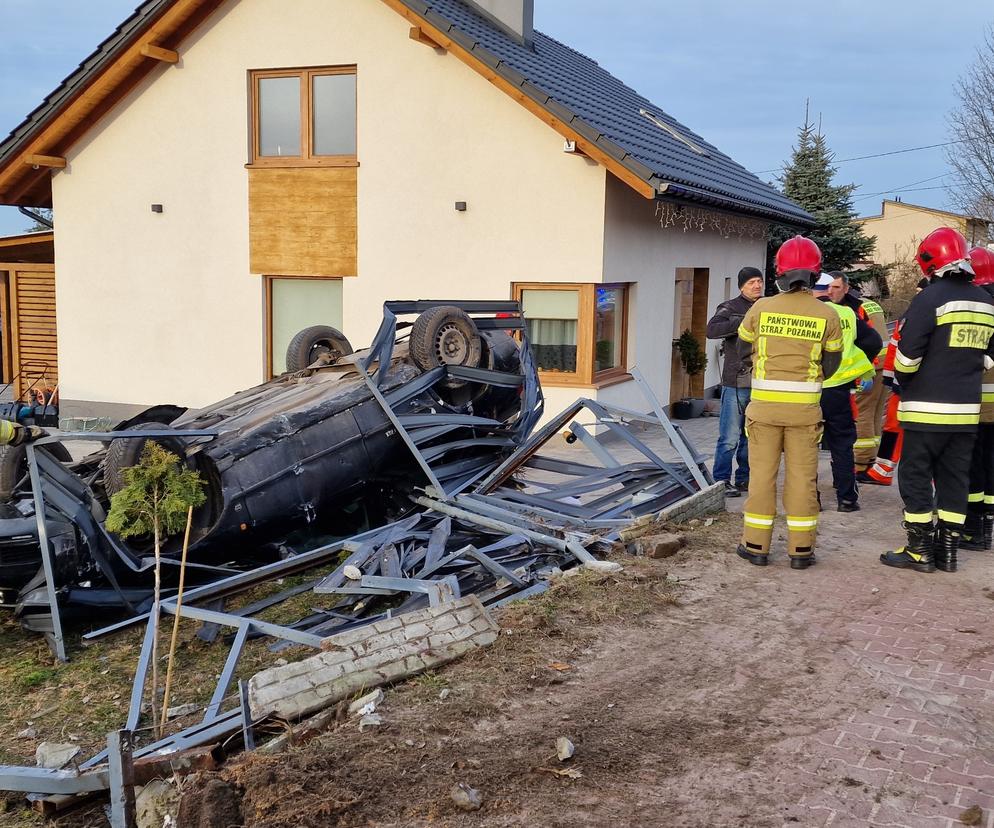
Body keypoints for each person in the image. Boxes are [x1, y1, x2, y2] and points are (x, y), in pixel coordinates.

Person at [881, 227, 994, 574]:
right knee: (955, 479)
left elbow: (907, 359)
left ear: (930, 262)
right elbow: (989, 357)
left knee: (915, 476)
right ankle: (948, 552)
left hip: (926, 410)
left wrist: (909, 374)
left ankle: (919, 550)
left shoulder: (929, 299)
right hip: (966, 411)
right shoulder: (987, 302)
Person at [736, 236, 842, 569]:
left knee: (762, 478)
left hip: (763, 412)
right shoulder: (827, 315)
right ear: (816, 273)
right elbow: (833, 364)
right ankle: (801, 551)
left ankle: (756, 546)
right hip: (805, 414)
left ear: (778, 270)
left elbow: (741, 350)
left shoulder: (761, 308)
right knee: (802, 479)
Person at [812, 274, 882, 511]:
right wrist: (858, 367)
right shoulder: (845, 313)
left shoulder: (802, 313)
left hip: (807, 390)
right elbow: (873, 341)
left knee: (805, 445)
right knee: (842, 444)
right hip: (838, 390)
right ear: (828, 291)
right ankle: (847, 500)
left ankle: (811, 499)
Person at [862, 278, 931, 486]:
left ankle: (885, 471)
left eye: (921, 291)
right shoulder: (913, 314)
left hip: (912, 383)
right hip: (901, 382)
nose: (917, 295)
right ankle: (882, 470)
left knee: (908, 431)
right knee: (892, 426)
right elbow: (894, 347)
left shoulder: (922, 316)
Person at [705, 266, 764, 497]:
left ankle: (744, 479)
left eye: (759, 281)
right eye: (751, 282)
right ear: (741, 286)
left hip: (759, 382)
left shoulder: (767, 307)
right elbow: (712, 330)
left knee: (750, 437)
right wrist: (743, 323)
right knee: (729, 437)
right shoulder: (730, 307)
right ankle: (720, 480)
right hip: (735, 382)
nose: (757, 285)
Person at [827, 272, 889, 473]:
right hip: (884, 365)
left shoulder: (853, 308)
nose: (831, 292)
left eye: (836, 287)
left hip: (869, 367)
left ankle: (861, 464)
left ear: (846, 288)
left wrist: (861, 370)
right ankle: (872, 459)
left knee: (862, 414)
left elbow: (863, 341)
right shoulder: (869, 303)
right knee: (875, 416)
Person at [962, 246, 994, 552]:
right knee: (990, 463)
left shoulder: (979, 303)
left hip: (978, 402)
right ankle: (986, 524)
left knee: (972, 465)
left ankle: (973, 529)